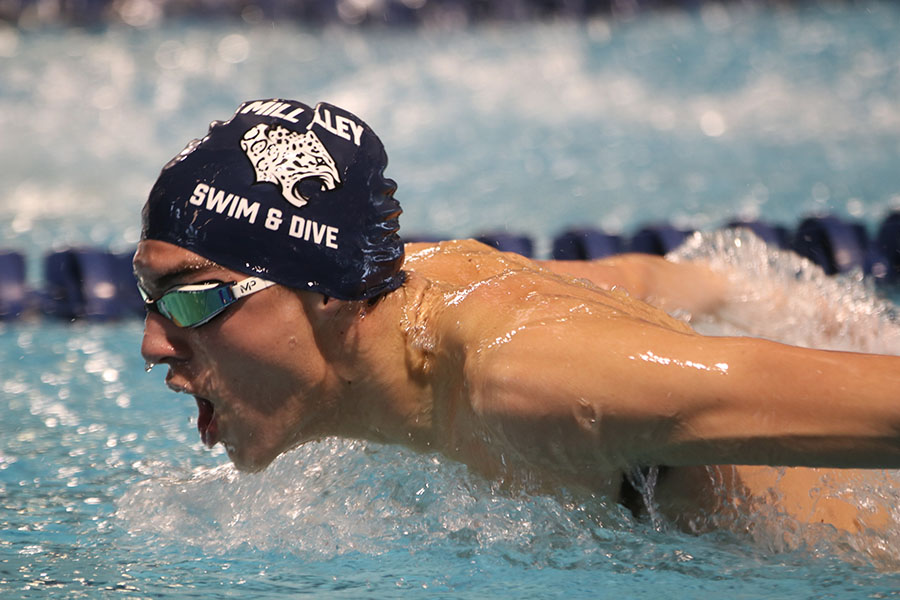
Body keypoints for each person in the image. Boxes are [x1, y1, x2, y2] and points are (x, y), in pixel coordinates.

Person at [135, 99, 900, 536]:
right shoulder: (418, 292)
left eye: (193, 298)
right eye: (147, 299)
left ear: (327, 292)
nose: (152, 344)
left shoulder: (529, 382)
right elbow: (642, 275)